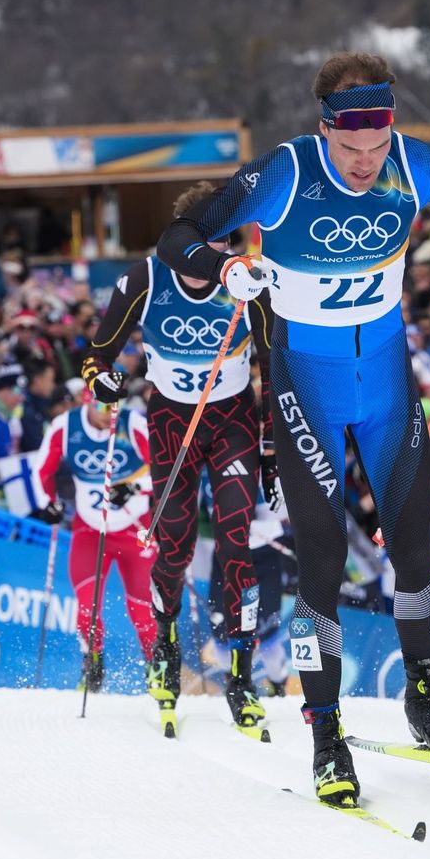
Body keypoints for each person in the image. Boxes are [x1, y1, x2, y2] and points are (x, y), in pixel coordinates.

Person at [156, 51, 430, 808]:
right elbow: (180, 235)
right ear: (324, 130)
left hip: (387, 377)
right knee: (321, 559)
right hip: (309, 384)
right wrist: (223, 269)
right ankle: (326, 732)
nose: (366, 165)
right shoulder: (287, 173)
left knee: (416, 544)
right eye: (350, 150)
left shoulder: (410, 162)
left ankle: (424, 694)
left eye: (377, 146)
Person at [84, 180, 278, 739]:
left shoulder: (248, 285)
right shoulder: (147, 278)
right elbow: (97, 354)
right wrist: (104, 381)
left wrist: (269, 450)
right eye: (208, 243)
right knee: (175, 542)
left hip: (233, 420)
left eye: (225, 242)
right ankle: (166, 647)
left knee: (238, 538)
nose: (219, 255)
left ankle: (240, 673)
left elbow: (272, 367)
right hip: (172, 421)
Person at [31, 394, 157, 692]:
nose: (109, 414)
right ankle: (93, 662)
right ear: (87, 402)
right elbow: (41, 471)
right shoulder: (66, 426)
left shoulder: (133, 423)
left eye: (116, 407)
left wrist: (133, 487)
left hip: (134, 527)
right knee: (87, 605)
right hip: (90, 529)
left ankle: (156, 664)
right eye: (102, 406)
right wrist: (47, 503)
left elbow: (167, 467)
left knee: (142, 608)